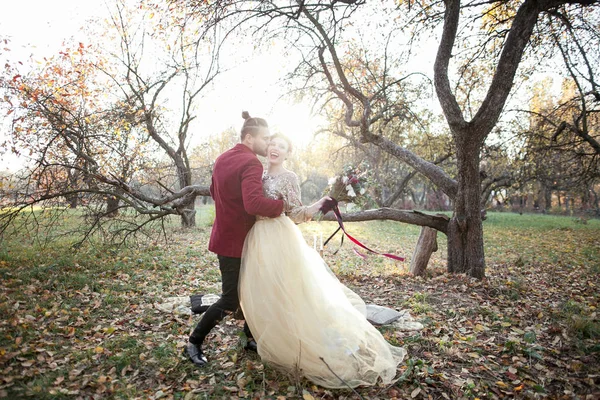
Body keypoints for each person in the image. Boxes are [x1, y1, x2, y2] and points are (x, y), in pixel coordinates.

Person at [239, 134, 406, 388]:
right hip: (257, 237)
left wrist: (317, 205)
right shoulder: (256, 172)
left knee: (289, 291)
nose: (275, 148)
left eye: (281, 146)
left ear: (287, 153)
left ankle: (295, 340)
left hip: (280, 236)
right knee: (264, 290)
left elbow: (295, 213)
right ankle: (262, 335)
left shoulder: (290, 177)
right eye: (272, 143)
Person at [184, 112, 284, 367]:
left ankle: (250, 337)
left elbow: (214, 192)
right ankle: (194, 341)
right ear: (249, 138)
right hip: (236, 244)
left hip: (228, 237)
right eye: (265, 139)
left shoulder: (222, 158)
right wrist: (283, 206)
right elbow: (253, 203)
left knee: (254, 291)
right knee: (230, 299)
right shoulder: (251, 163)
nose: (268, 143)